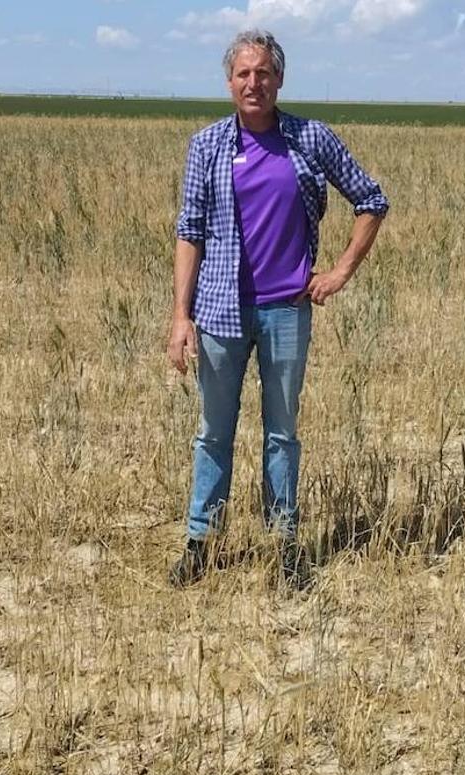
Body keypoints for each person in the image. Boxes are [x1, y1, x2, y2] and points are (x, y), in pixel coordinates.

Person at [167, 29, 389, 589]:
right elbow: (189, 232)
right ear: (228, 82)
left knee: (282, 431)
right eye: (243, 74)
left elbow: (371, 200)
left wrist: (339, 272)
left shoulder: (310, 139)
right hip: (220, 313)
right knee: (213, 432)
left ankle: (284, 543)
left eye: (263, 73)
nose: (253, 83)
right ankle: (200, 542)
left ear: (280, 79)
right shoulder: (208, 146)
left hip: (287, 311)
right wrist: (180, 316)